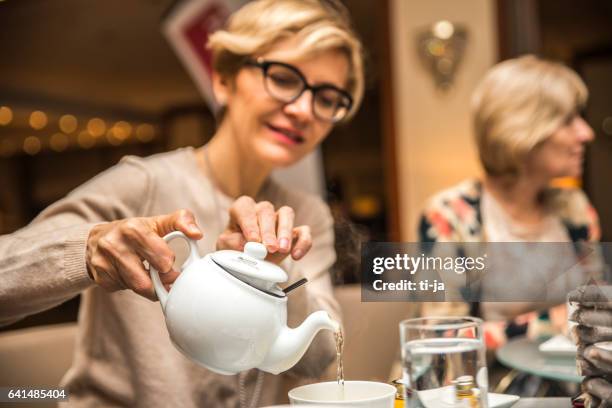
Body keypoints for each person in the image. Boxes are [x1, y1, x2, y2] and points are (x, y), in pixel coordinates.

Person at [0, 0, 364, 406]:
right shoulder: (144, 184)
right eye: (282, 77)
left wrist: (282, 268)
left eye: (328, 98)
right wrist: (89, 246)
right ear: (223, 79)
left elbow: (319, 358)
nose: (302, 110)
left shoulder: (306, 215)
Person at [418, 56, 602, 341]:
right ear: (522, 130)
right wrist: (553, 321)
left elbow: (598, 311)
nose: (586, 133)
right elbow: (442, 338)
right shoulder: (450, 214)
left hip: (570, 380)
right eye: (568, 121)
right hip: (487, 383)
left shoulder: (575, 208)